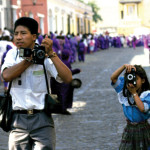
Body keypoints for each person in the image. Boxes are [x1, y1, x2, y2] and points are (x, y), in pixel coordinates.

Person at [1, 17, 72, 150]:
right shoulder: (13, 55)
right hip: (17, 121)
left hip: (42, 119)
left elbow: (67, 78)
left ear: (34, 36)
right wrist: (29, 61)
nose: (18, 37)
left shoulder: (45, 57)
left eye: (23, 33)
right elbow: (6, 76)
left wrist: (51, 53)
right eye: (16, 34)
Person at [111, 64, 150, 150]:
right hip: (129, 129)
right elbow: (113, 78)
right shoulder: (124, 91)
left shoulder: (146, 94)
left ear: (143, 80)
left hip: (143, 129)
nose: (132, 82)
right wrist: (124, 67)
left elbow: (142, 108)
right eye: (130, 78)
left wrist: (134, 93)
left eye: (135, 79)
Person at [51, 50, 81, 115]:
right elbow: (69, 73)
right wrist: (77, 70)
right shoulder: (67, 63)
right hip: (64, 83)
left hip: (57, 83)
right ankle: (63, 109)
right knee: (64, 95)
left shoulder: (59, 62)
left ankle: (60, 108)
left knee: (59, 95)